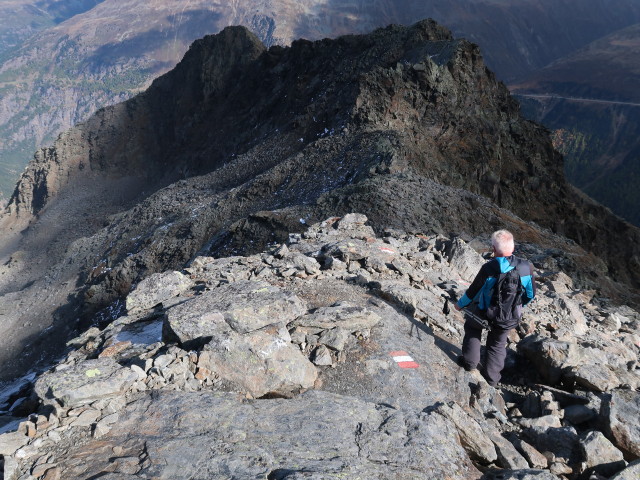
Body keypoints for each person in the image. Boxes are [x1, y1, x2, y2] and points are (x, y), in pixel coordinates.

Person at [454, 229, 535, 386]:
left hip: (484, 313)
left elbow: (473, 291)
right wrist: (518, 305)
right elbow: (530, 294)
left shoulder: (489, 268)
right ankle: (492, 380)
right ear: (513, 248)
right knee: (497, 344)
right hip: (508, 317)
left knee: (472, 328)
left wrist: (459, 304)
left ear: (494, 249)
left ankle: (470, 363)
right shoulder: (526, 268)